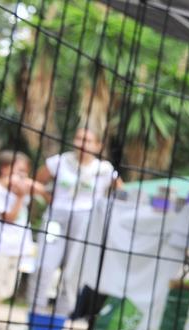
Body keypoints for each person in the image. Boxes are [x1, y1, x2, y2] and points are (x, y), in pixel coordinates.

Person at [26, 127, 121, 319]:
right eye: (78, 138)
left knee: (73, 272)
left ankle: (61, 318)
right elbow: (35, 182)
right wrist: (47, 196)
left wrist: (104, 210)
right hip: (55, 220)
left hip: (85, 222)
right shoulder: (59, 161)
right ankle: (34, 314)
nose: (81, 143)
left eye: (87, 140)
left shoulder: (104, 170)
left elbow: (123, 193)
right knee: (44, 265)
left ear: (98, 146)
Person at [0, 151, 46, 316]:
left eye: (25, 172)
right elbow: (9, 217)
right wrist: (20, 197)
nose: (23, 176)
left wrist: (28, 188)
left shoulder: (19, 189)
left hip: (16, 247)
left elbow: (41, 190)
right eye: (19, 171)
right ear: (4, 169)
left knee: (7, 288)